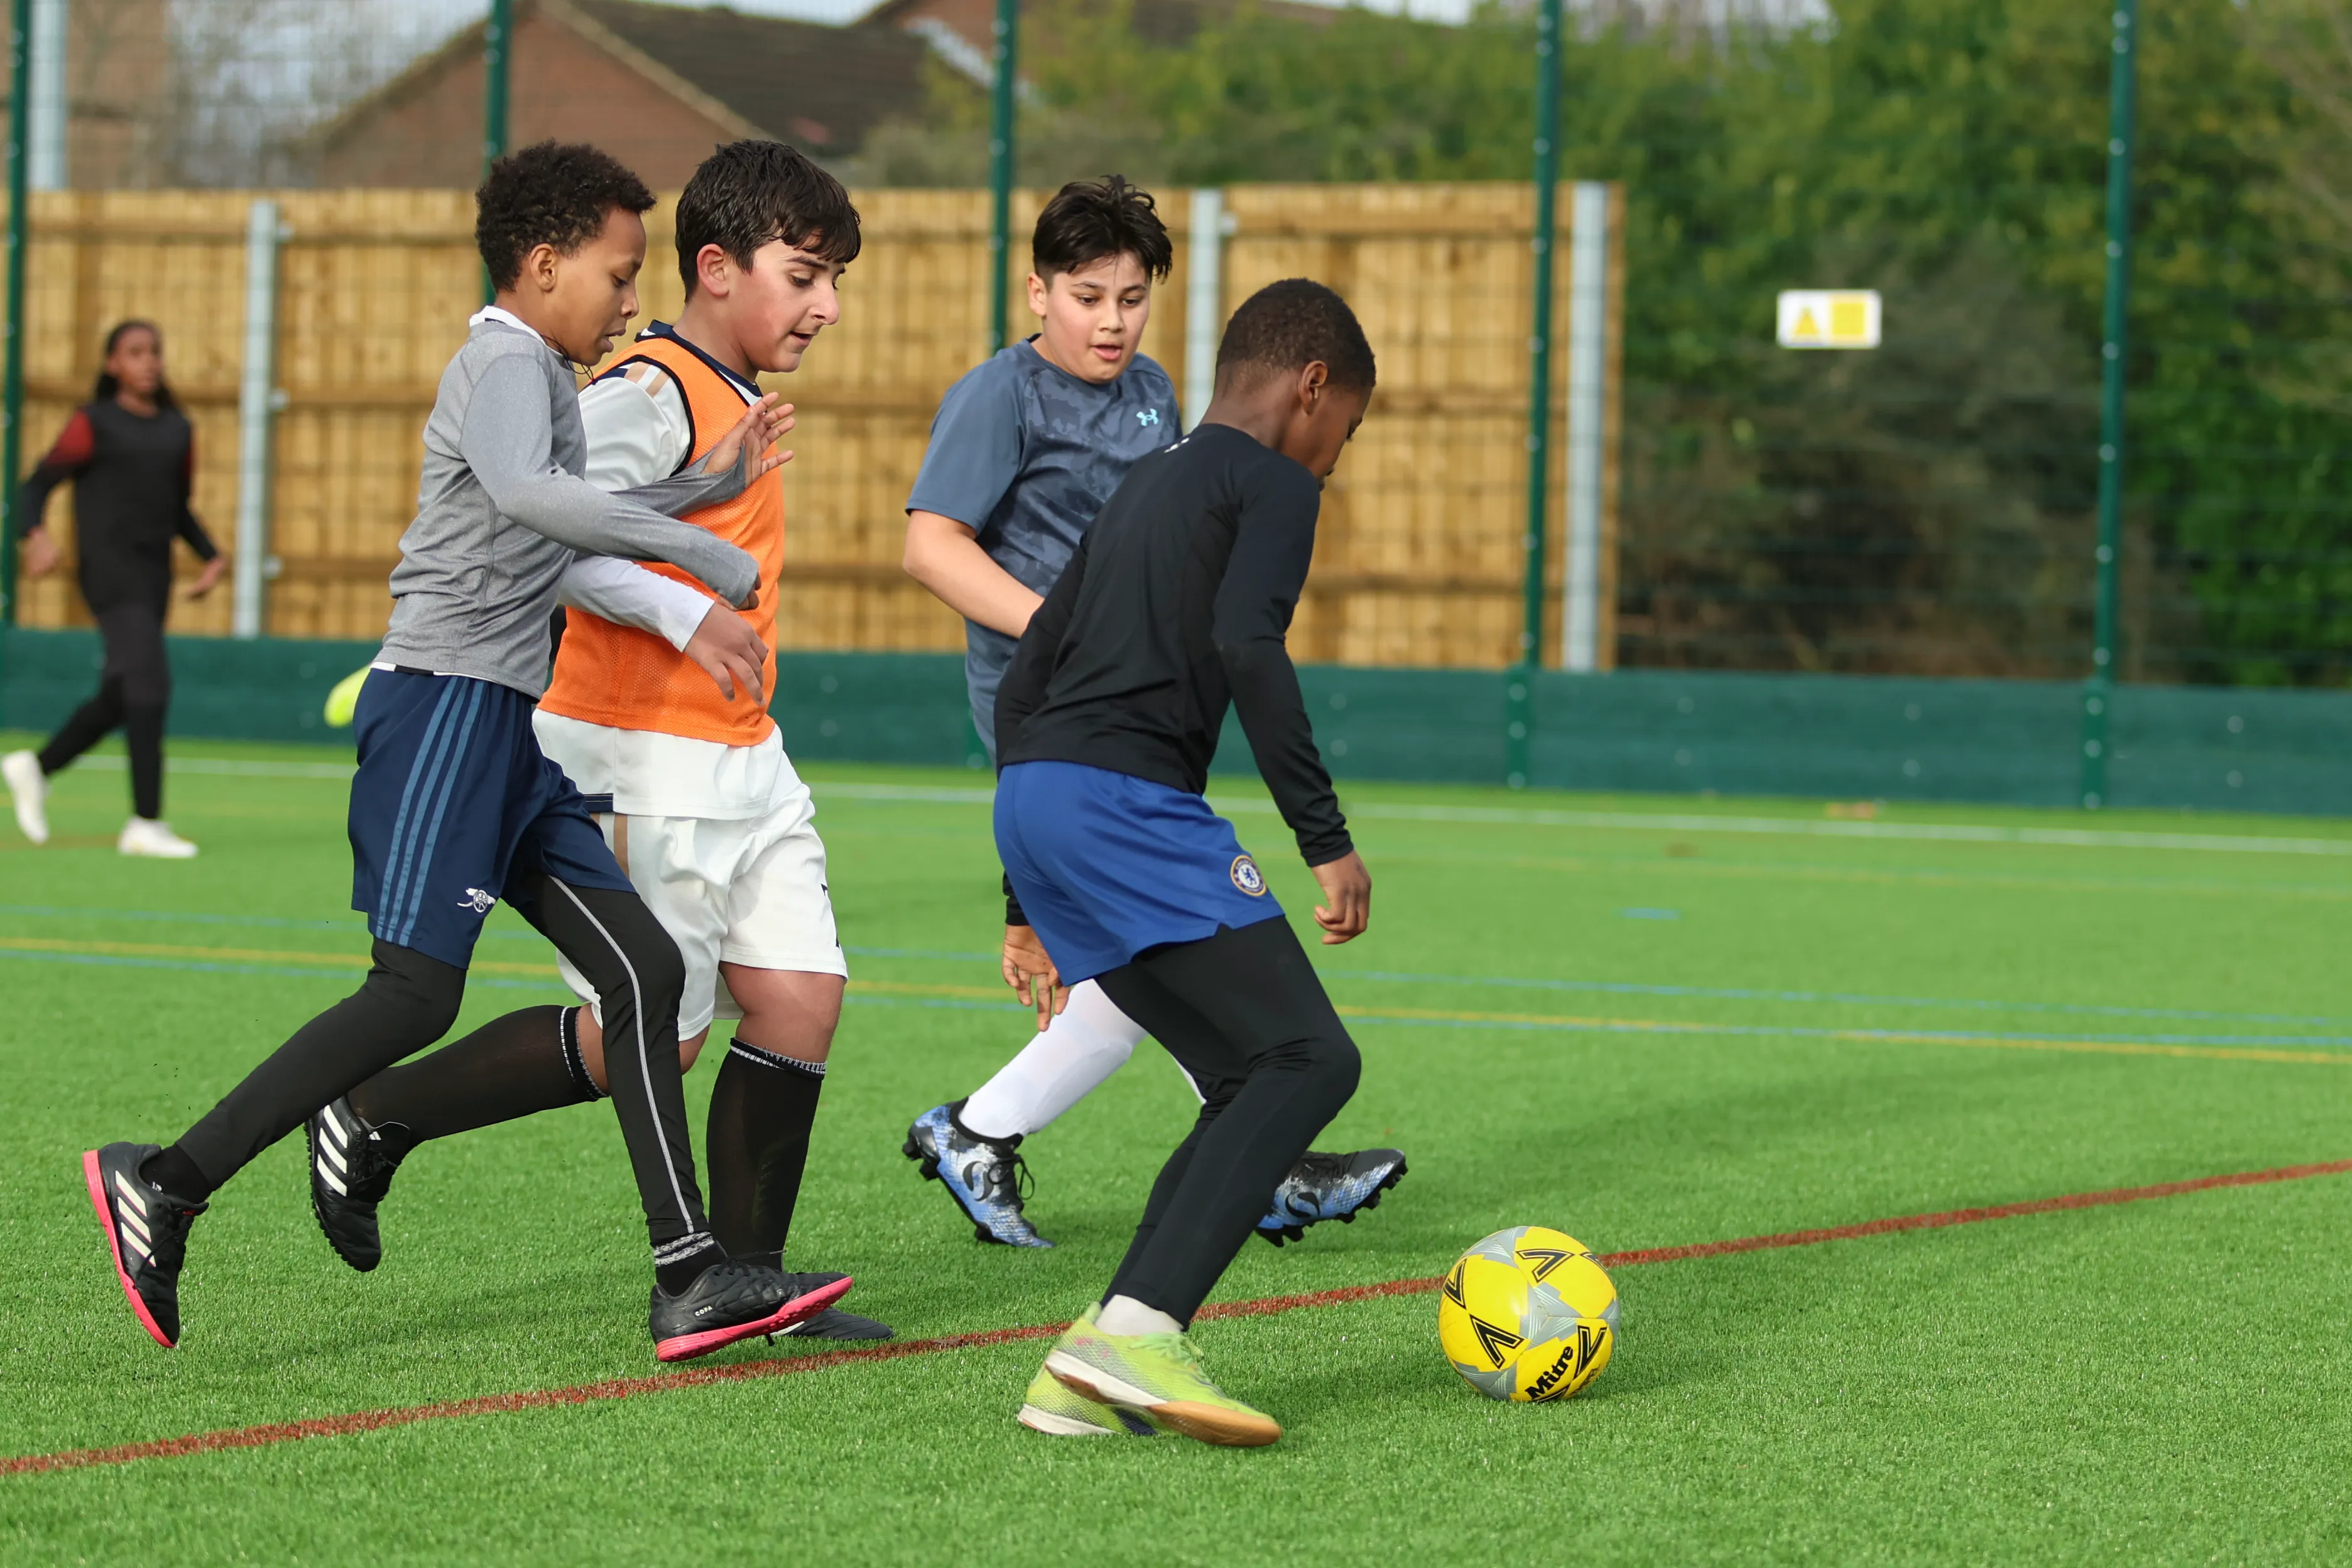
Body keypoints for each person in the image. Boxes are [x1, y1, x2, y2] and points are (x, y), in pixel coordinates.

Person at [80, 140, 849, 1363]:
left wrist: (705, 487)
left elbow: (557, 504)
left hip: (505, 726)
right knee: (413, 994)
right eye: (614, 271)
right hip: (443, 706)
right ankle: (166, 1180)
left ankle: (692, 1276)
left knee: (645, 978)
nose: (628, 298)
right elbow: (536, 500)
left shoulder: (544, 366)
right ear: (542, 266)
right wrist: (702, 557)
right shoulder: (502, 358)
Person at [303, 139, 888, 1342]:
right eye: (806, 274)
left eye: (836, 280)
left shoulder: (721, 398)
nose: (825, 306)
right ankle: (377, 1113)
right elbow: (551, 538)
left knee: (800, 1002)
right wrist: (689, 607)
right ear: (716, 269)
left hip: (740, 751)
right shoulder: (645, 389)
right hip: (636, 750)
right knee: (653, 1048)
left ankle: (748, 1283)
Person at [898, 176, 1403, 1250]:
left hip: (1140, 709)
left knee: (1141, 967)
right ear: (1036, 292)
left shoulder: (1155, 397)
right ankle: (1257, 1155)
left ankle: (986, 1130)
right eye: (1088, 297)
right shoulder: (1002, 394)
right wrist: (1076, 629)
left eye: (1131, 298)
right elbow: (929, 545)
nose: (1111, 320)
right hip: (1061, 706)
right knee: (1176, 938)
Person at [997, 278, 1378, 1445]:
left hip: (1036, 799)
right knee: (1311, 1058)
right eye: (1344, 432)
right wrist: (1325, 839)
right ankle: (1141, 1329)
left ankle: (1083, 1369)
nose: (1333, 460)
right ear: (1310, 387)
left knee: (1244, 1072)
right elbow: (1246, 645)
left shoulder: (1143, 481)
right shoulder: (1267, 480)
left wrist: (1024, 895)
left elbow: (1024, 679)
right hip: (1124, 806)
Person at [3, 321, 228, 858]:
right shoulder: (93, 423)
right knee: (151, 686)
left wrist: (211, 555)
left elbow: (175, 508)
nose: (148, 362)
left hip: (153, 579)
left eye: (154, 352)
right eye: (134, 353)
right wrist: (34, 537)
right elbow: (37, 483)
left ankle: (36, 767)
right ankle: (145, 823)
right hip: (108, 574)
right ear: (112, 365)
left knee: (123, 694)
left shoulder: (177, 429)